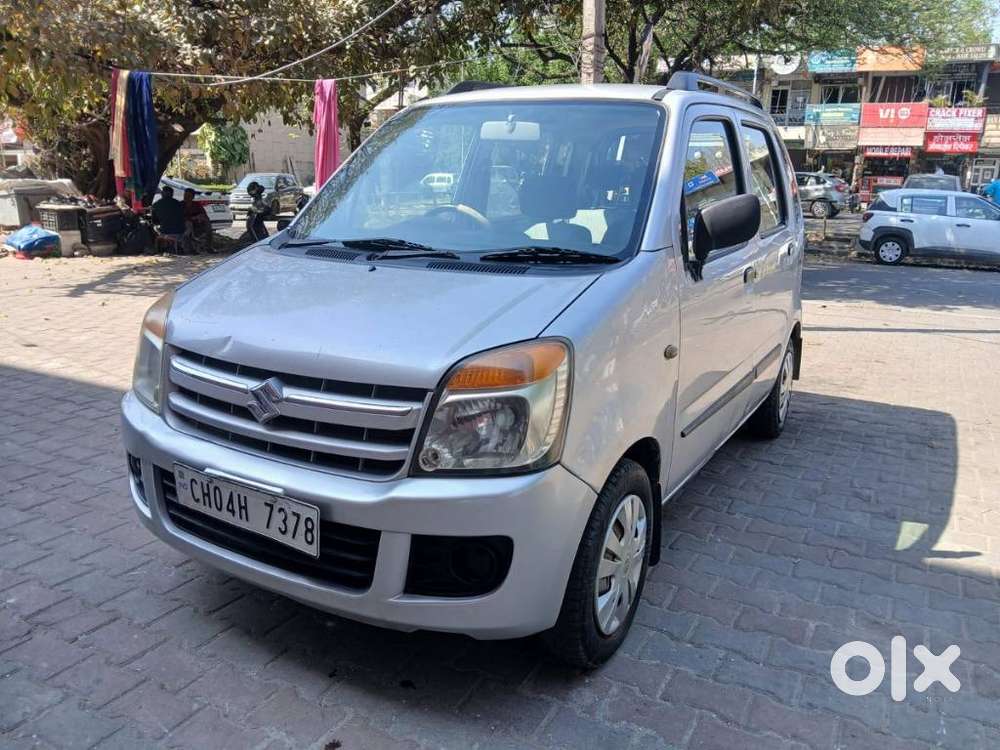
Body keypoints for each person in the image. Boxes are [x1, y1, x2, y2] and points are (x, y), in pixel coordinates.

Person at [182, 187, 212, 253]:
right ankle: (190, 248)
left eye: (188, 195)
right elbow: (179, 216)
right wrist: (191, 218)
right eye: (185, 195)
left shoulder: (196, 204)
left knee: (208, 223)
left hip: (197, 224)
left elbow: (204, 214)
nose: (186, 197)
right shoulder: (181, 204)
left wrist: (201, 217)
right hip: (185, 224)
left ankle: (208, 247)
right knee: (189, 224)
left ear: (192, 197)